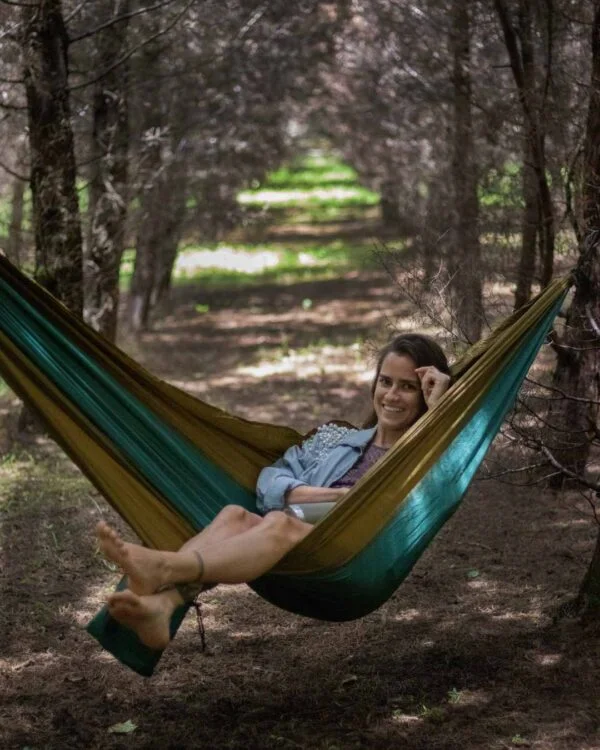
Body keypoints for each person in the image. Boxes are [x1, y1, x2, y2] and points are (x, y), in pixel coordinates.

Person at [96, 334, 451, 649]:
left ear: (423, 394)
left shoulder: (419, 459)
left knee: (280, 523)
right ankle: (165, 605)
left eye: (407, 386)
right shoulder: (335, 438)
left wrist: (440, 412)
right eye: (385, 381)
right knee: (235, 515)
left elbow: (442, 474)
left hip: (353, 557)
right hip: (296, 531)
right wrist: (333, 498)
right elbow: (269, 482)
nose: (391, 395)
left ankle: (164, 566)